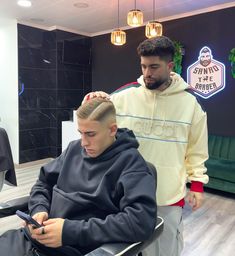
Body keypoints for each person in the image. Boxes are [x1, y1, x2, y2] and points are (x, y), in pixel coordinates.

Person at [83, 36, 209, 256]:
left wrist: (197, 184)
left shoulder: (191, 103)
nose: (146, 73)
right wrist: (94, 99)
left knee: (166, 250)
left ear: (170, 66)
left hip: (168, 195)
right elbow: (92, 117)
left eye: (153, 67)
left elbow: (197, 148)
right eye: (143, 66)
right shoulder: (124, 96)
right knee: (126, 249)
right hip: (125, 193)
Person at [0, 98, 157, 256]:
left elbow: (140, 222)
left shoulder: (131, 165)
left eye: (90, 134)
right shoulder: (74, 149)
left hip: (73, 250)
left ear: (112, 130)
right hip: (34, 240)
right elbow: (43, 183)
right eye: (81, 133)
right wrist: (38, 210)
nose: (83, 143)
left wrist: (69, 232)